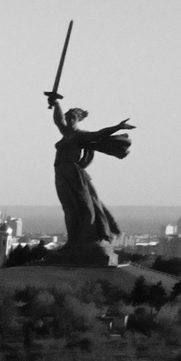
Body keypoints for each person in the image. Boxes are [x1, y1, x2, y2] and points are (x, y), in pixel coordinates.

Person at [46, 91, 134, 264]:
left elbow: (100, 134)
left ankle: (90, 238)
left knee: (86, 206)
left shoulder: (80, 135)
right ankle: (73, 241)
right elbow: (58, 120)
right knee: (69, 207)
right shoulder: (66, 133)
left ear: (77, 120)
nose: (69, 120)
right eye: (68, 117)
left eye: (72, 118)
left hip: (73, 172)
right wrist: (56, 103)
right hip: (60, 172)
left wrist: (118, 127)